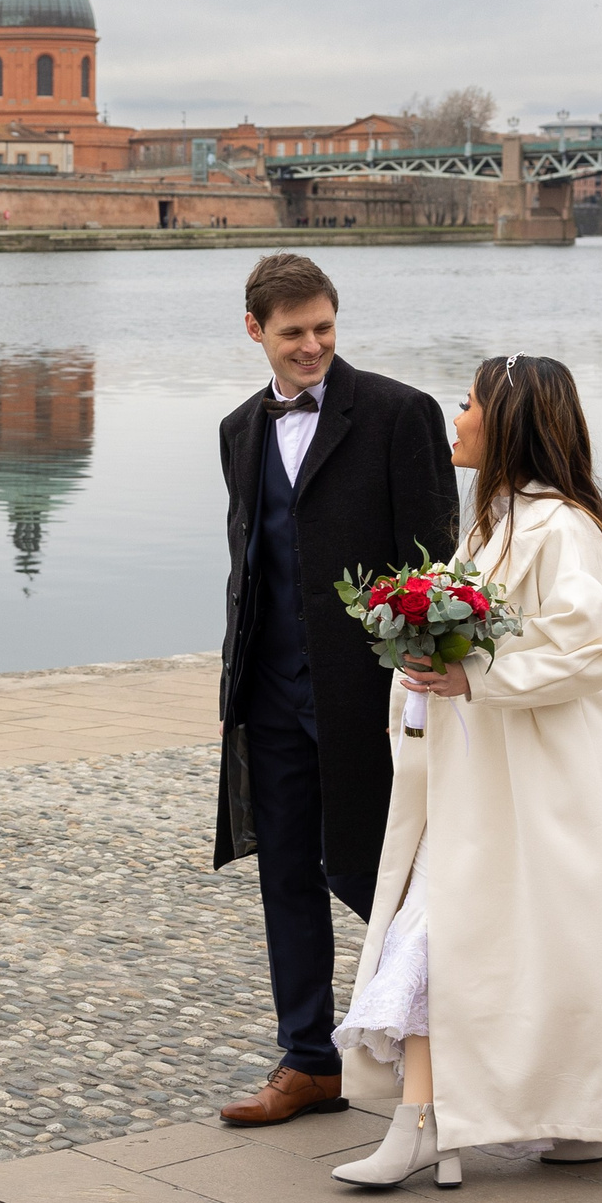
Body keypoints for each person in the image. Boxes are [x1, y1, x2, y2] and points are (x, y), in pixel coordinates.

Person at [329, 354, 602, 1190]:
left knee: (552, 939)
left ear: (507, 420)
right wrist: (423, 666)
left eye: (472, 401)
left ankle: (573, 1107)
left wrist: (475, 676)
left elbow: (594, 650)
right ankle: (434, 1116)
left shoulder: (560, 527)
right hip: (489, 769)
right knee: (462, 929)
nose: (460, 412)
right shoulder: (494, 524)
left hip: (552, 775)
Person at [215, 254, 460, 1125]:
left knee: (372, 870)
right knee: (285, 871)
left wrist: (429, 676)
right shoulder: (239, 429)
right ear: (257, 332)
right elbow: (254, 559)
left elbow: (434, 563)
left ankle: (468, 1035)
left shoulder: (400, 414)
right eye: (294, 332)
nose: (313, 344)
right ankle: (308, 1059)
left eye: (324, 326)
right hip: (269, 692)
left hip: (371, 694)